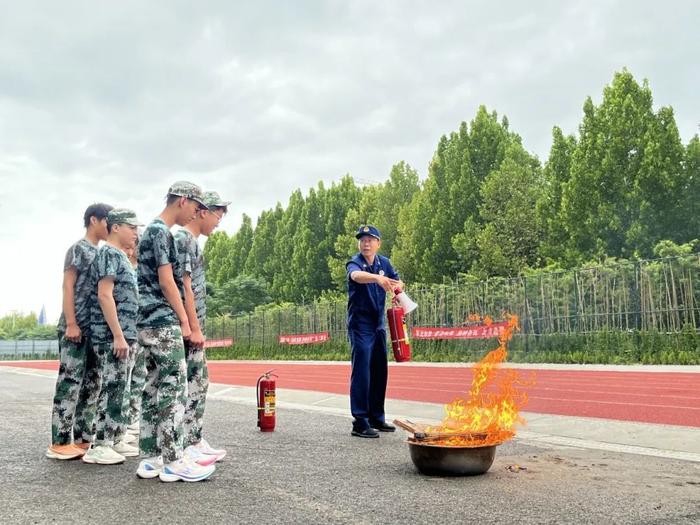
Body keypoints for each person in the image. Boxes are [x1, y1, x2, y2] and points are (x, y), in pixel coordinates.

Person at [135, 181, 216, 482]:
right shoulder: (160, 232)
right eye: (195, 207)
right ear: (182, 201)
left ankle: (152, 458)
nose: (195, 213)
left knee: (153, 388)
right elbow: (168, 281)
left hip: (146, 321)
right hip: (162, 321)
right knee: (174, 388)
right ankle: (173, 459)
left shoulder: (151, 232)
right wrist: (184, 320)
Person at [47, 203, 113, 460]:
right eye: (108, 220)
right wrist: (72, 323)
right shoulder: (78, 249)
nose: (111, 226)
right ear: (94, 220)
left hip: (95, 330)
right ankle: (60, 441)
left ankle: (84, 437)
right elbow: (68, 286)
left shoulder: (103, 253)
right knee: (70, 382)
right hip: (76, 327)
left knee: (92, 383)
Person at [82, 209, 142, 465]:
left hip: (126, 335)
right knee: (111, 386)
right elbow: (105, 295)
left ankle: (115, 437)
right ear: (116, 227)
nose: (136, 234)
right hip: (111, 336)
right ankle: (99, 444)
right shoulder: (108, 253)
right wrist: (118, 335)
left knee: (121, 387)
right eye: (132, 228)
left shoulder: (121, 257)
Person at [175, 190, 230, 463]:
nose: (218, 221)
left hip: (192, 325)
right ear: (203, 211)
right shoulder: (184, 239)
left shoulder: (191, 241)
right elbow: (184, 286)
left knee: (197, 381)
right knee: (192, 382)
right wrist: (192, 327)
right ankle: (187, 443)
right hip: (187, 328)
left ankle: (192, 438)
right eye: (217, 214)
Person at [346, 225, 404, 438]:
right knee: (362, 372)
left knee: (380, 371)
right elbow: (355, 276)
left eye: (370, 239)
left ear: (378, 243)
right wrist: (377, 279)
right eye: (362, 240)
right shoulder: (355, 262)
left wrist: (398, 290)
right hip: (360, 326)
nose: (366, 243)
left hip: (378, 324)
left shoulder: (384, 263)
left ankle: (376, 417)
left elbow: (398, 281)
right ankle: (360, 421)